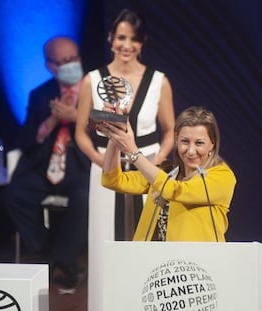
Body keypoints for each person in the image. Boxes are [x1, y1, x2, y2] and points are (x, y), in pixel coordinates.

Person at [75, 8, 175, 310]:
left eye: (133, 39)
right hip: (107, 166)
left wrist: (157, 160)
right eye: (121, 37)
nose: (126, 45)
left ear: (143, 42)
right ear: (110, 39)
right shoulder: (92, 80)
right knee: (107, 239)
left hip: (148, 168)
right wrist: (100, 159)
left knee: (149, 241)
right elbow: (81, 131)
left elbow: (170, 130)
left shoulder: (159, 81)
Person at [0, 36, 90, 289]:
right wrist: (49, 122)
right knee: (13, 196)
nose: (70, 65)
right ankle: (53, 254)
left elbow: (109, 127)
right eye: (63, 62)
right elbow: (25, 138)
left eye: (73, 59)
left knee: (85, 198)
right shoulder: (40, 94)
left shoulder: (96, 89)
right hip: (44, 164)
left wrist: (75, 116)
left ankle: (54, 260)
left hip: (80, 164)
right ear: (50, 66)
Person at [99, 106, 236, 241]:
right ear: (176, 140)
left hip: (196, 262)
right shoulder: (167, 172)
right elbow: (113, 180)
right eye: (185, 141)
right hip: (153, 260)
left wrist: (133, 152)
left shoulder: (222, 176)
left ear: (212, 143)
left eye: (199, 143)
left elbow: (175, 190)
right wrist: (116, 134)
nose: (191, 150)